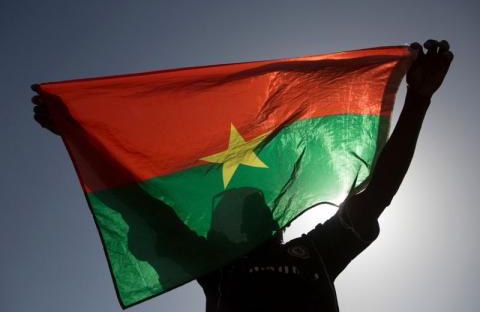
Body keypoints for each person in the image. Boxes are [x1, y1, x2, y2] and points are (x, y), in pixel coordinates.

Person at [32, 40, 453, 312]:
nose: (259, 212)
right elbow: (145, 208)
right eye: (245, 209)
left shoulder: (317, 252)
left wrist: (417, 101)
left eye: (260, 205)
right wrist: (79, 132)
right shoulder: (216, 266)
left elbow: (377, 194)